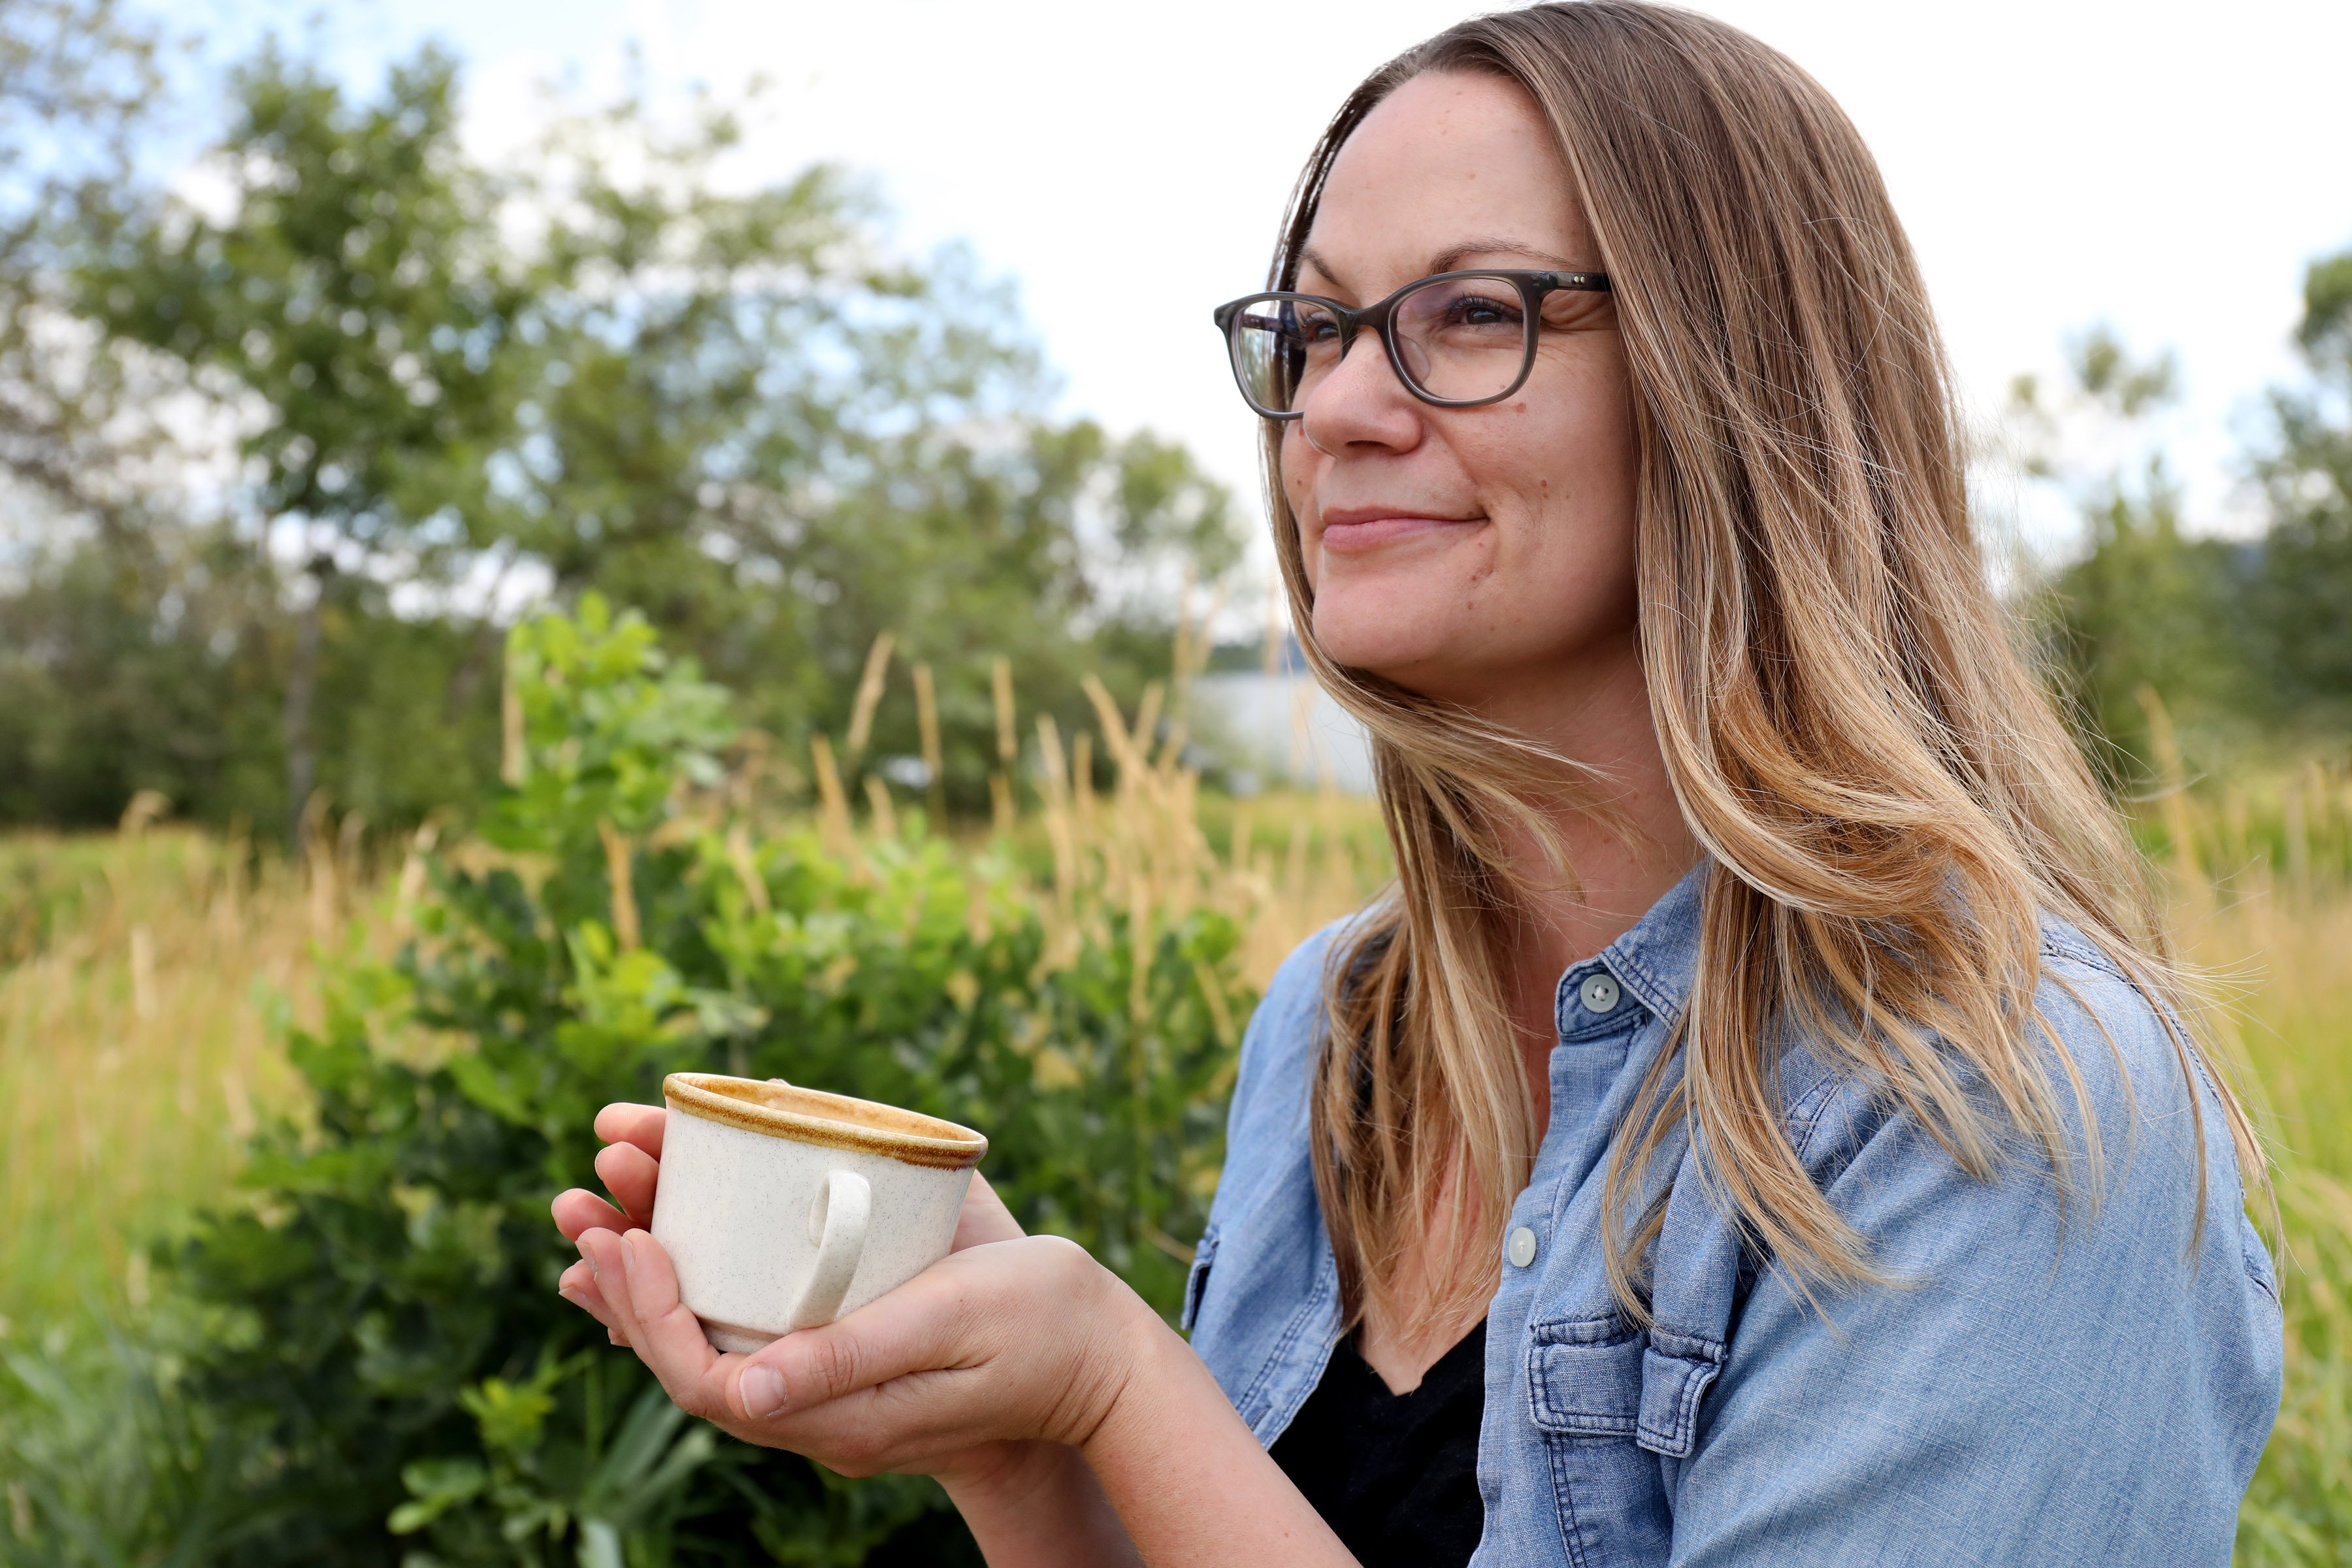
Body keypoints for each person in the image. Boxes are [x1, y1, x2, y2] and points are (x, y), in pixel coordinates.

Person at [549, 5, 2285, 1563]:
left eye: (1469, 314)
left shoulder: (1997, 1100)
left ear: (1734, 375)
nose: (1337, 407)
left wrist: (1119, 1391)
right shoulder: (1343, 1027)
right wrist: (1018, 1451)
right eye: (1310, 331)